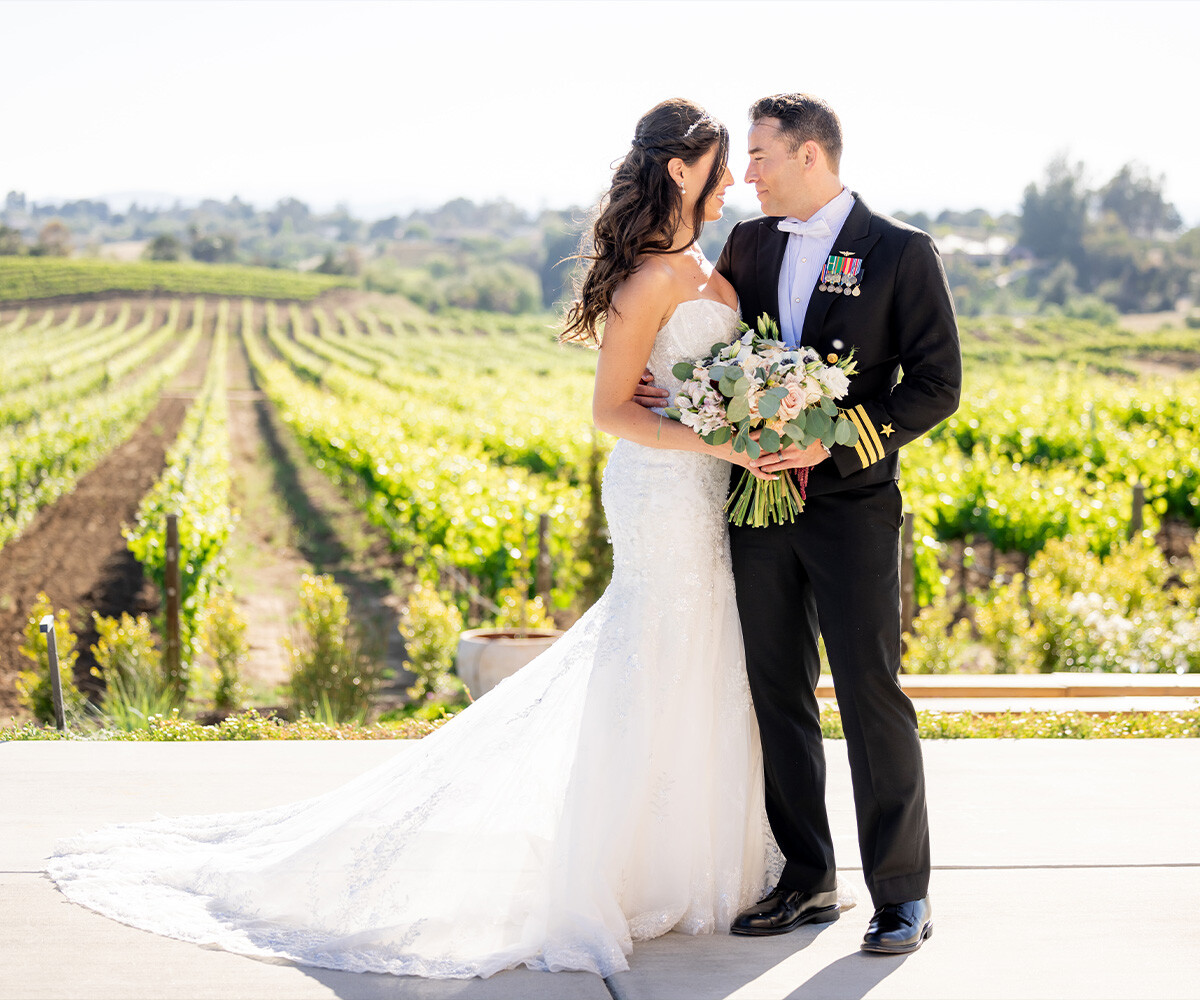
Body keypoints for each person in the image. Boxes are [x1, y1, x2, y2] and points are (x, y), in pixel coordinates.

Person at [45, 99, 812, 980]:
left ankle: (685, 865)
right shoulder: (649, 278)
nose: (738, 180)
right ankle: (608, 869)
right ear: (683, 171)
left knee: (701, 649)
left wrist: (743, 416)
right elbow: (608, 412)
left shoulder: (705, 263)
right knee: (652, 647)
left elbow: (689, 385)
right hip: (662, 489)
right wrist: (718, 437)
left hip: (708, 485)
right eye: (725, 164)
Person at [637, 93, 961, 954]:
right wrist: (668, 395)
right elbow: (716, 356)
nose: (748, 173)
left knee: (869, 694)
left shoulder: (902, 252)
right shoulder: (746, 243)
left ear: (811, 156)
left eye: (762, 157)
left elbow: (935, 386)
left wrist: (832, 448)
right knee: (775, 692)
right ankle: (807, 878)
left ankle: (901, 894)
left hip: (852, 507)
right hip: (754, 507)